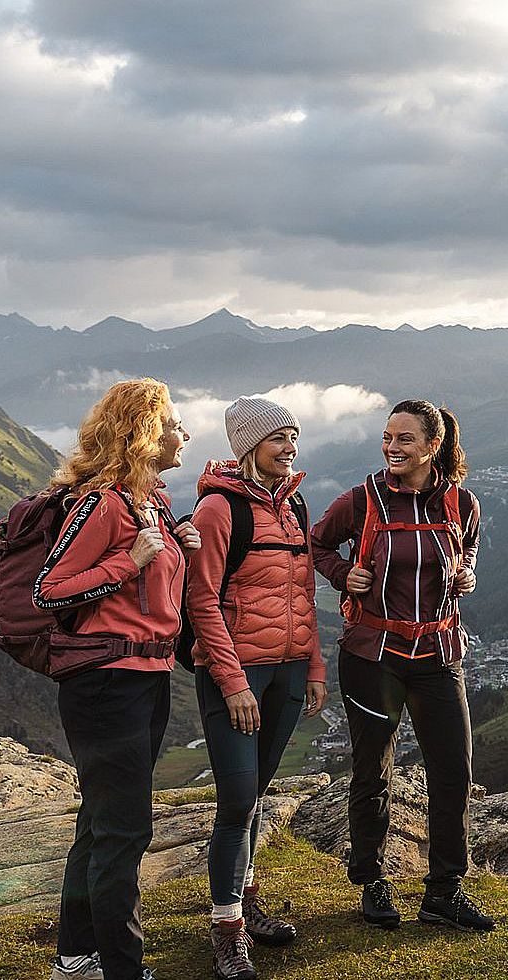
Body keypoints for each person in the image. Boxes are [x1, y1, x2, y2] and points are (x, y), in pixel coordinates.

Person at [36, 379, 199, 980]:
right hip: (107, 686)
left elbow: (156, 599)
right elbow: (49, 589)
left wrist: (181, 548)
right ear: (147, 432)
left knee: (101, 822)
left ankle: (76, 958)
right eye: (176, 423)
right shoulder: (103, 504)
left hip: (145, 680)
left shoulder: (148, 503)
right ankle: (123, 969)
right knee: (125, 831)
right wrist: (126, 562)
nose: (186, 433)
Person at [309, 400, 492, 932]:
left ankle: (444, 892)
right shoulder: (362, 500)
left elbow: (469, 555)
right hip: (373, 656)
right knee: (373, 771)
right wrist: (344, 574)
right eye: (388, 437)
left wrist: (467, 576)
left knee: (453, 771)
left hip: (439, 655)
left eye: (404, 439)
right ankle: (371, 880)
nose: (392, 447)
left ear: (432, 447)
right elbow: (316, 544)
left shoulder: (462, 503)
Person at [183, 397, 328, 979]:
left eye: (293, 437)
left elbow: (303, 594)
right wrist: (232, 681)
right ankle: (226, 928)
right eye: (277, 438)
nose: (289, 447)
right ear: (248, 446)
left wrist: (316, 667)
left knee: (257, 795)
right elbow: (201, 601)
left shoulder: (294, 505)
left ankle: (245, 904)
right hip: (239, 675)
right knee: (238, 798)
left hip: (290, 672)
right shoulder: (219, 510)